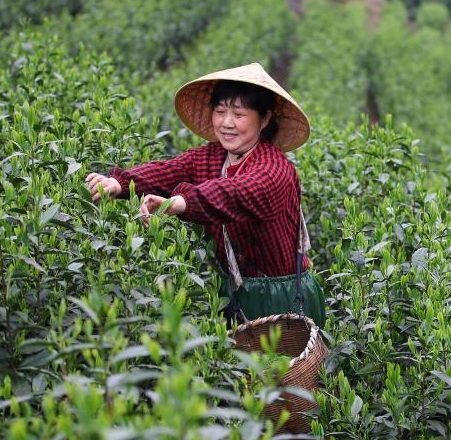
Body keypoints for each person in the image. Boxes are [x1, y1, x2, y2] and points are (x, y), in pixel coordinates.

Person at [85, 62, 326, 329]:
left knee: (282, 370)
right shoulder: (213, 157)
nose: (227, 123)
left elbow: (235, 194)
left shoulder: (274, 170)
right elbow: (171, 170)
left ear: (265, 118)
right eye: (220, 111)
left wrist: (178, 203)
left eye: (239, 114)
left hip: (283, 297)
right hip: (235, 292)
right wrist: (119, 183)